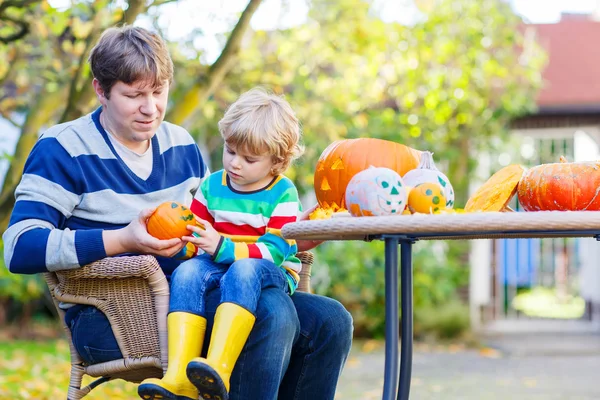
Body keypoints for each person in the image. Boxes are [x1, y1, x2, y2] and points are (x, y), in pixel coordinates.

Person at [2, 25, 353, 400]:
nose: (150, 108)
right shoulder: (63, 147)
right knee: (271, 310)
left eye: (158, 91)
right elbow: (19, 247)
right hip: (114, 314)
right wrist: (123, 239)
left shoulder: (180, 144)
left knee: (330, 320)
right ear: (100, 91)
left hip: (195, 294)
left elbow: (214, 228)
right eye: (134, 95)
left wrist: (293, 234)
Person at [138, 87, 306, 400]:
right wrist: (181, 243)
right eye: (230, 151)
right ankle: (179, 375)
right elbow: (196, 230)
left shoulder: (283, 193)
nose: (235, 163)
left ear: (276, 162)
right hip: (218, 261)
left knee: (243, 269)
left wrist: (222, 247)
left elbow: (275, 250)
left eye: (249, 158)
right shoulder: (213, 184)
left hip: (269, 270)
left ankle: (219, 367)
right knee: (187, 273)